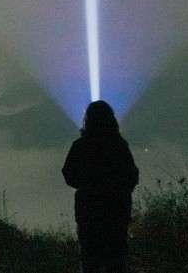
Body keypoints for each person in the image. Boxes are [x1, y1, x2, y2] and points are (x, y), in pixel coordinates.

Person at [62, 100, 139, 273]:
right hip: (117, 211)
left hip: (89, 212)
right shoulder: (119, 145)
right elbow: (132, 176)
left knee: (91, 259)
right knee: (117, 259)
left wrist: (87, 185)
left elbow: (68, 174)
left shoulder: (80, 146)